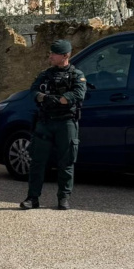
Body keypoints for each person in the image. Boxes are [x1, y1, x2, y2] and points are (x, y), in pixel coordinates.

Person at [20, 39, 86, 210]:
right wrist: (44, 97)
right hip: (46, 122)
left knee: (66, 162)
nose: (50, 56)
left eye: (54, 53)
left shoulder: (76, 75)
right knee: (37, 162)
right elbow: (33, 91)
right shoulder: (45, 75)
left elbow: (78, 94)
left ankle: (63, 198)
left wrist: (61, 100)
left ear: (65, 56)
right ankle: (32, 198)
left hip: (66, 123)